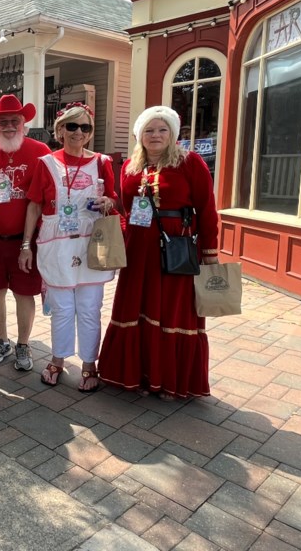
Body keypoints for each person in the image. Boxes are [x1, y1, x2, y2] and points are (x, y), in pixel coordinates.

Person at [97, 106, 220, 401]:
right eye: (149, 130)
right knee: (136, 307)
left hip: (176, 246)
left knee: (171, 309)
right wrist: (119, 229)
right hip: (139, 249)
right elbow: (125, 209)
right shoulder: (129, 166)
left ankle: (168, 380)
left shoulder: (191, 162)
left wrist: (210, 251)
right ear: (140, 135)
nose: (155, 135)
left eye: (162, 129)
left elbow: (207, 209)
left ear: (173, 134)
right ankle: (137, 375)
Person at [22, 102, 120, 392]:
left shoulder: (102, 163)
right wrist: (25, 245)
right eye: (72, 126)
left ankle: (90, 364)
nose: (78, 132)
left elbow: (113, 199)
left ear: (90, 133)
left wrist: (108, 203)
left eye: (85, 127)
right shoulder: (47, 163)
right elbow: (34, 206)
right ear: (60, 130)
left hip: (92, 243)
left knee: (90, 308)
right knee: (63, 307)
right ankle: (58, 359)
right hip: (57, 245)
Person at [0, 95, 50, 370]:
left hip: (24, 240)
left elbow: (46, 197)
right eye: (2, 122)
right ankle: (2, 341)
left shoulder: (40, 151)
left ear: (23, 123)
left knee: (23, 293)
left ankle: (23, 345)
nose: (8, 126)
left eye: (14, 121)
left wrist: (31, 242)